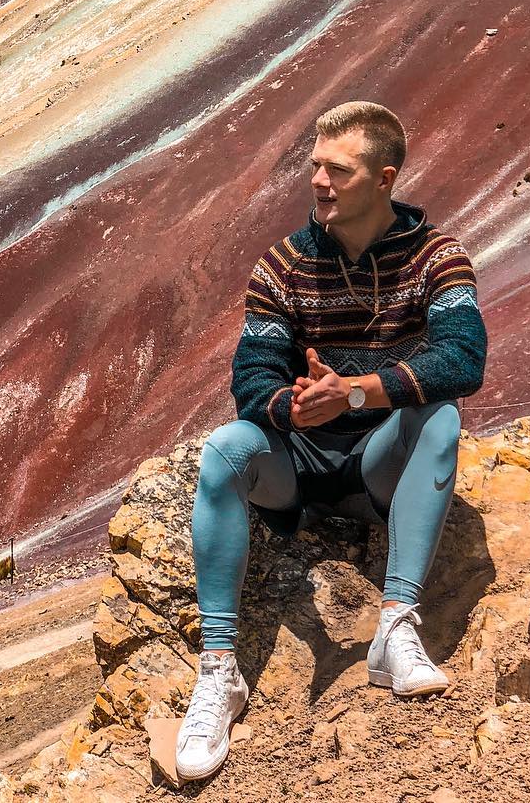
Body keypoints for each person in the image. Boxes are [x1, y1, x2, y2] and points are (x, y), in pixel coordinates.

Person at [175, 102, 487, 782]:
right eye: (314, 164)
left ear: (383, 177)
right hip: (297, 465)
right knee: (225, 449)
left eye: (336, 169)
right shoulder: (282, 265)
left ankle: (395, 630)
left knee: (441, 418)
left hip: (381, 466)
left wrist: (353, 393)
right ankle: (219, 672)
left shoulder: (437, 257)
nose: (318, 179)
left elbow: (463, 361)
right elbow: (250, 380)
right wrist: (295, 404)